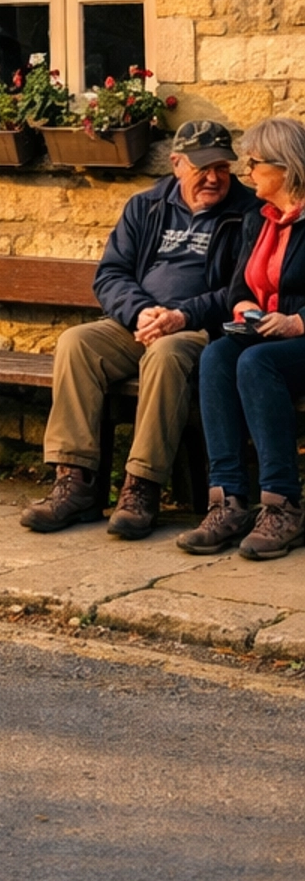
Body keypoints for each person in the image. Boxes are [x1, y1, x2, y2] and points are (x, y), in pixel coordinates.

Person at [22, 118, 254, 539]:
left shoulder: (248, 212)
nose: (215, 177)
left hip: (201, 330)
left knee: (166, 355)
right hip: (141, 323)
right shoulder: (145, 206)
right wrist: (142, 313)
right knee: (76, 342)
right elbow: (110, 274)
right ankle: (74, 483)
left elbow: (242, 289)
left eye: (223, 166)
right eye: (204, 167)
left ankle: (142, 487)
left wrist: (181, 316)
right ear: (177, 163)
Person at [177, 115, 305, 561]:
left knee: (255, 363)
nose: (247, 173)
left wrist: (297, 322)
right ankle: (227, 501)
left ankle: (283, 504)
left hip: (299, 338)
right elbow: (239, 286)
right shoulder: (259, 218)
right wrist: (245, 310)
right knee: (216, 356)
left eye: (253, 164)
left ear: (284, 168)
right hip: (267, 335)